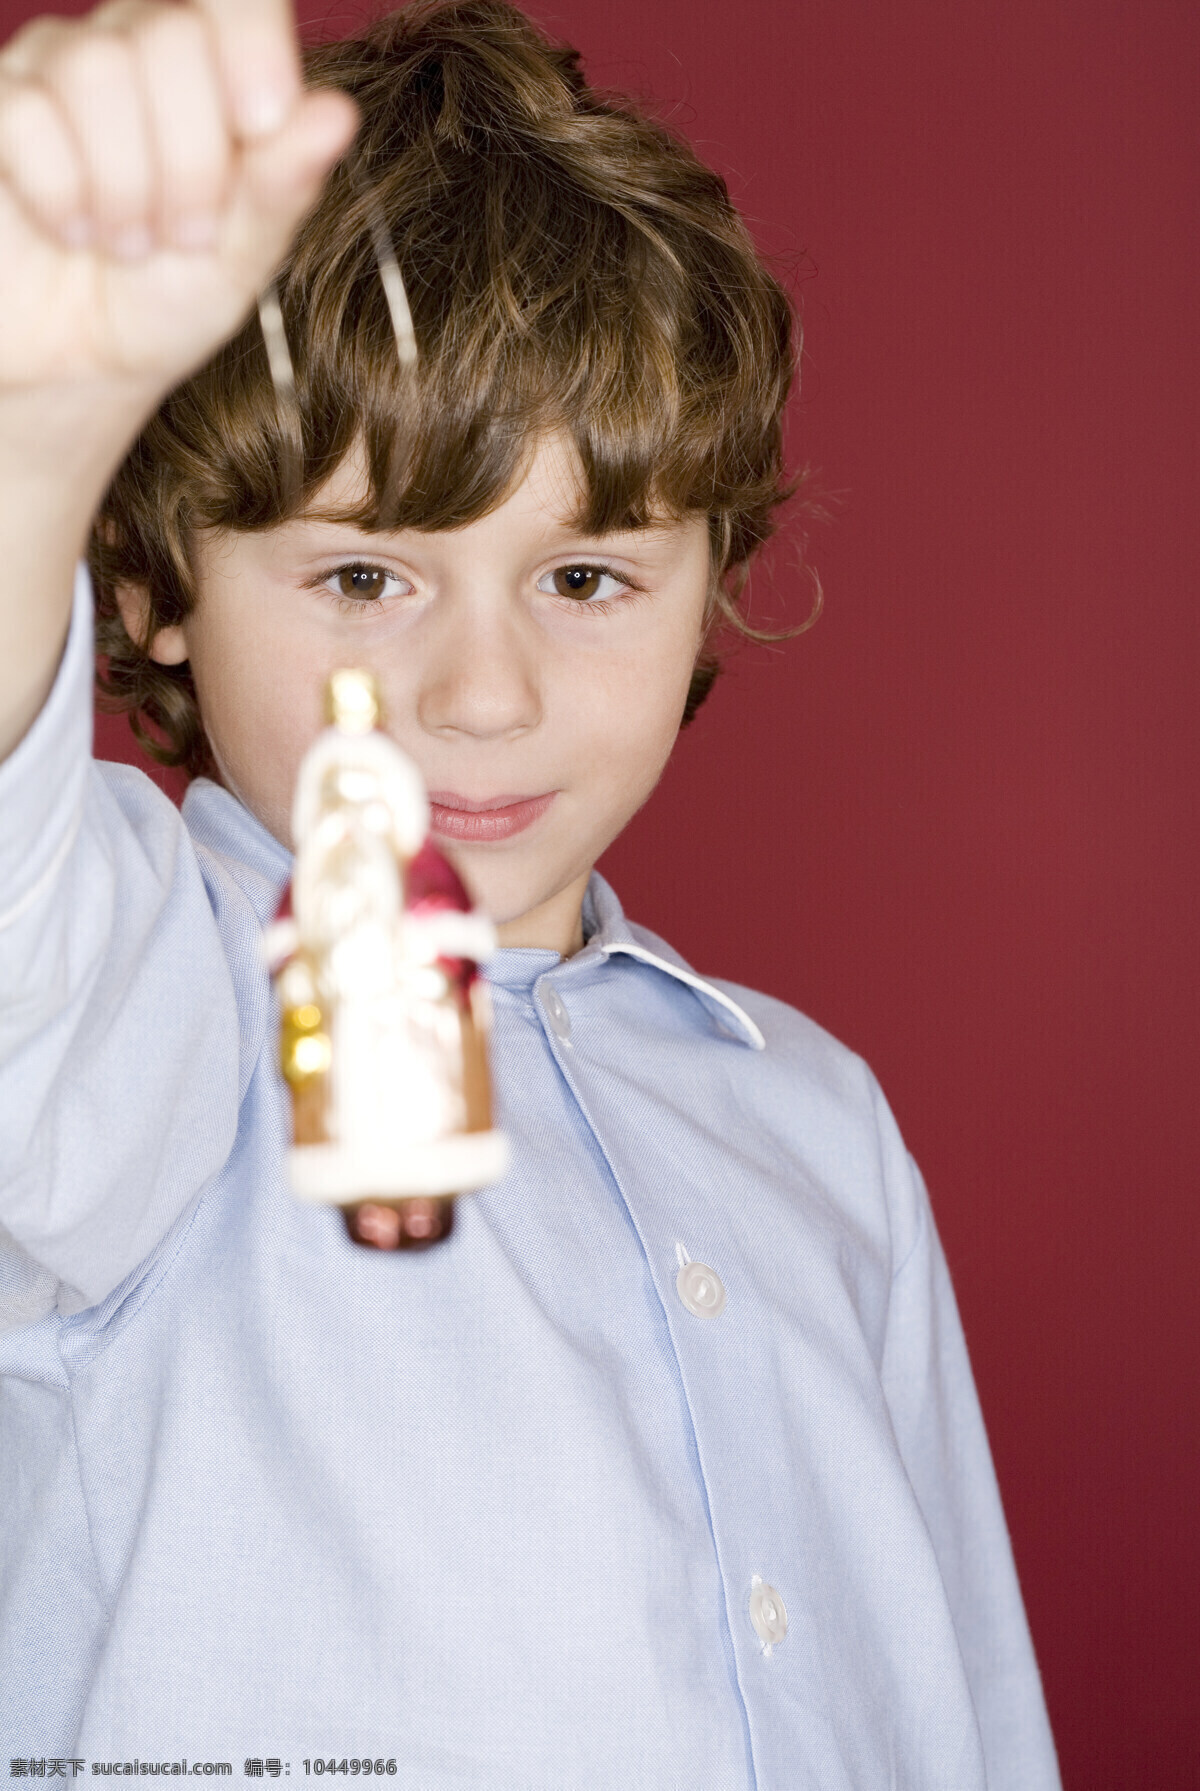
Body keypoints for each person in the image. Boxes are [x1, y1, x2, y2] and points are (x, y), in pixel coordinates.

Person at [0, 1, 1061, 1785]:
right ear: (154, 588)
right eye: (361, 575)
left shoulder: (816, 1122)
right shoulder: (128, 1004)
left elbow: (960, 1702)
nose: (480, 694)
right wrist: (39, 432)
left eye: (583, 574)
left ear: (713, 574)